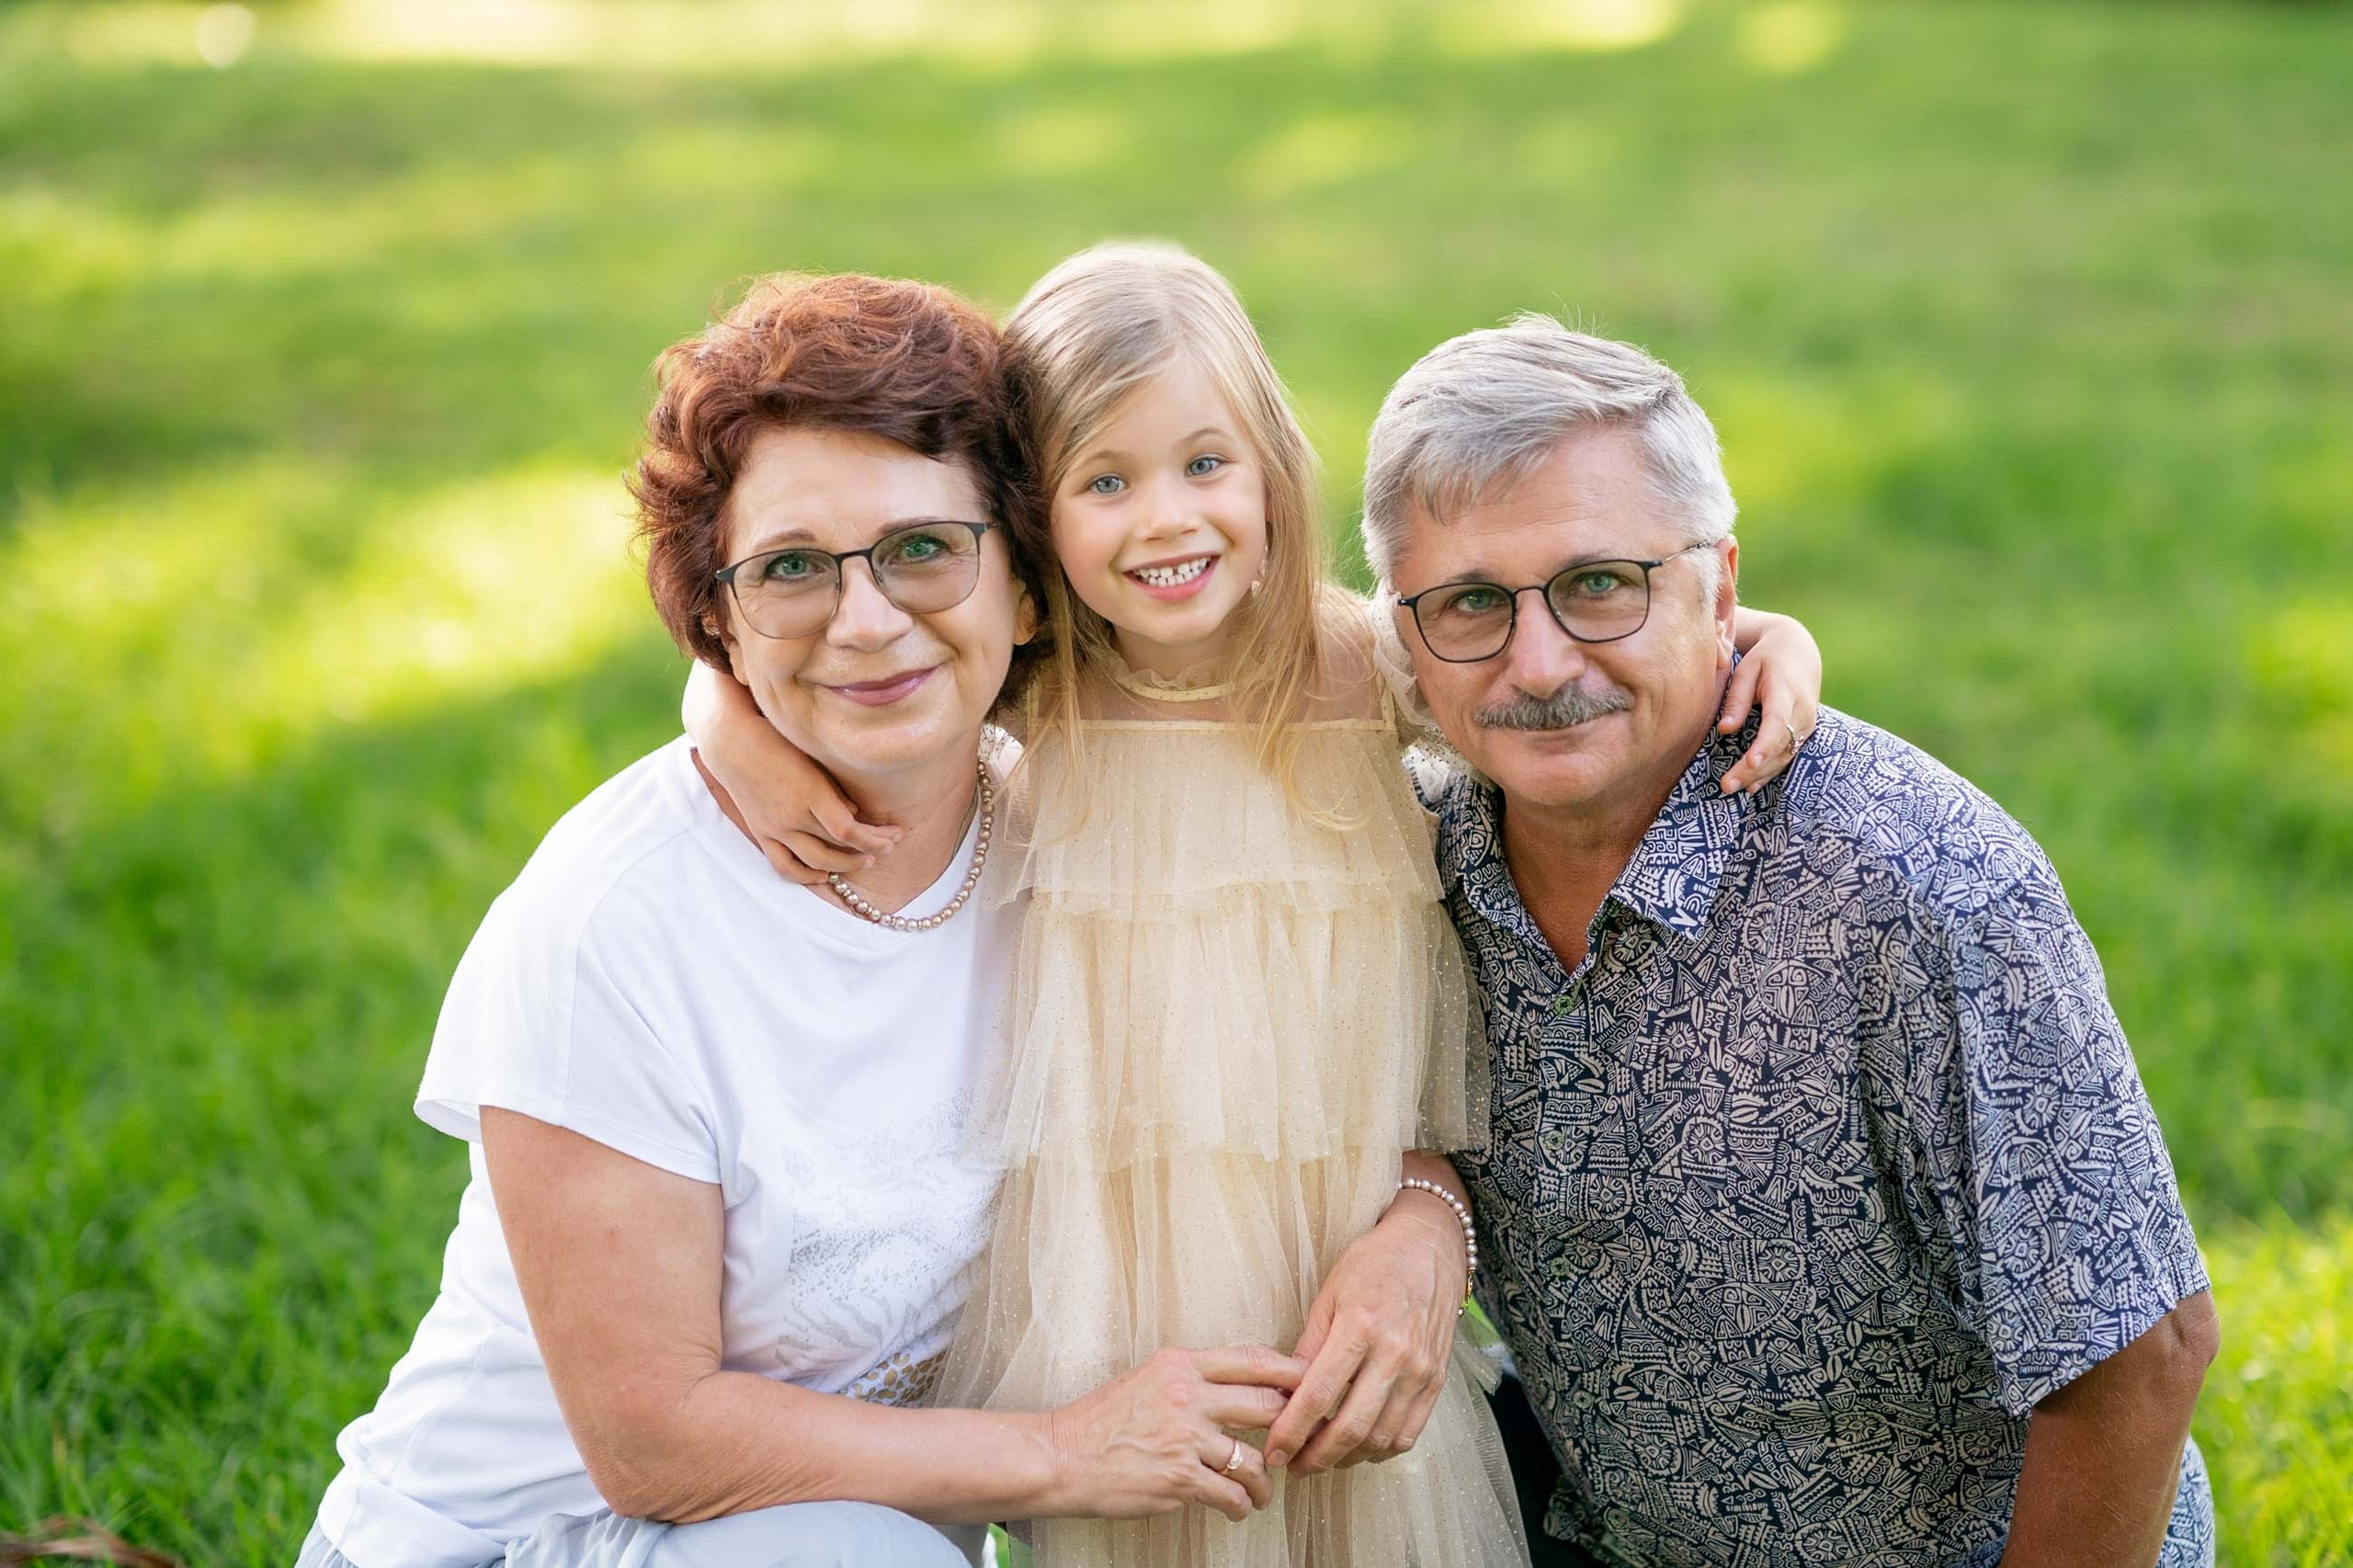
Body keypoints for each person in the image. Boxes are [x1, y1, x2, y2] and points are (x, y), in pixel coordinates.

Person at [690, 244, 1825, 1567]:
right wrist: (726, 722)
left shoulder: (1364, 673)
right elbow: (793, 660)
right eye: (1105, 481)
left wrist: (1773, 634)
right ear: (1031, 514)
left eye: (1204, 463)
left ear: (1272, 470)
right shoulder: (1031, 693)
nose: (1165, 519)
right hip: (1123, 1309)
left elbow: (1555, 652)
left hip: (1340, 1278)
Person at [297, 272, 1323, 1568]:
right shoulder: (614, 924)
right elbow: (654, 1443)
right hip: (523, 1542)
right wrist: (1066, 1451)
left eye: (924, 548)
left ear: (1026, 584)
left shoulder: (1073, 839)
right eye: (792, 568)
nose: (868, 621)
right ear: (717, 624)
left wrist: (1418, 1213)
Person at [1360, 313, 2220, 1568]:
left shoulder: (1920, 891)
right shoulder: (1412, 857)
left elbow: (2139, 1355)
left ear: (1720, 587)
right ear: (1403, 629)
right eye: (1473, 603)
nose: (1538, 664)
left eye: (1600, 584)